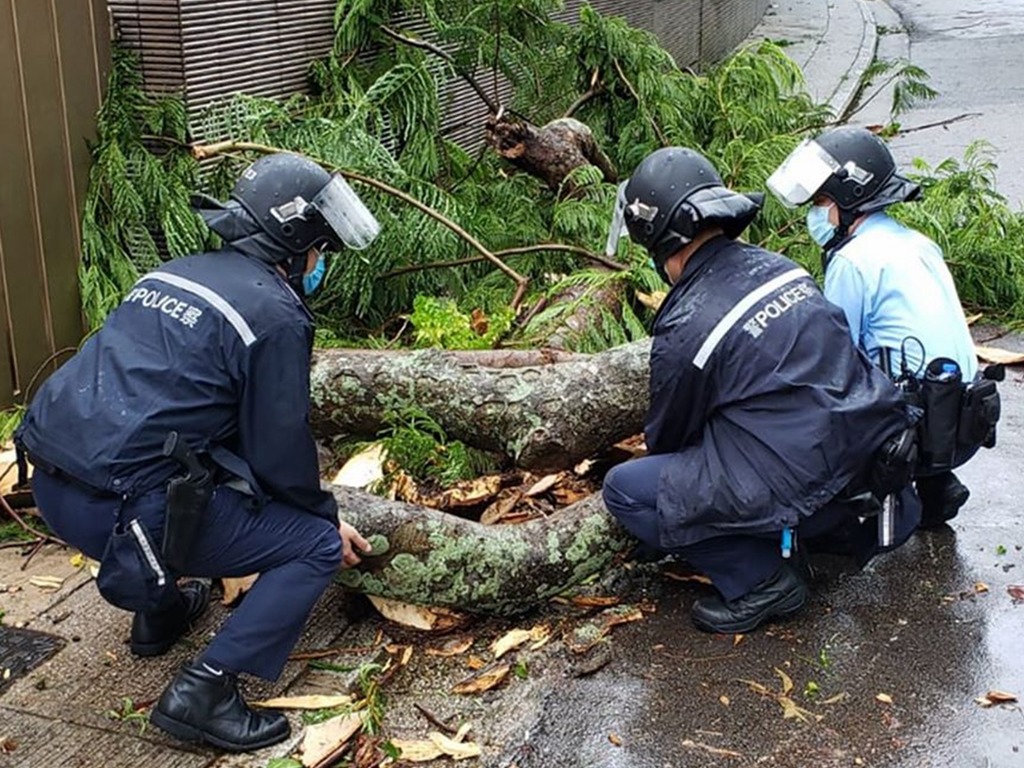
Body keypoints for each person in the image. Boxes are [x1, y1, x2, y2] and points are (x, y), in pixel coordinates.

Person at [15, 152, 380, 752]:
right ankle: (204, 692)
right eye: (320, 250)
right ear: (293, 242)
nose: (319, 265)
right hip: (123, 515)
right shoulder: (275, 315)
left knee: (189, 473)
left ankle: (158, 615)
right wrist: (322, 518)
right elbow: (278, 448)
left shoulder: (172, 274)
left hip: (51, 491)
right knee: (311, 545)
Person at [601, 147, 918, 635]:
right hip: (863, 457)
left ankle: (763, 579)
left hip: (801, 480)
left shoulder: (687, 321)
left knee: (627, 491)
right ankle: (805, 533)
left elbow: (669, 435)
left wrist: (674, 517)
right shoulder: (779, 267)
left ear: (658, 237)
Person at [766, 126, 983, 527]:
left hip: (917, 428)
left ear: (849, 200)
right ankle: (936, 483)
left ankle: (875, 497)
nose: (815, 213)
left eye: (821, 201)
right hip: (965, 415)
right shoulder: (916, 242)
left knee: (816, 396)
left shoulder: (853, 260)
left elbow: (835, 353)